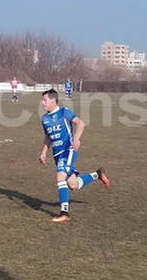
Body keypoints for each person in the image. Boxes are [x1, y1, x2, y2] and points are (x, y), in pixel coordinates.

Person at [39, 88, 110, 223]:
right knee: (73, 185)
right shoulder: (45, 119)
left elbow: (80, 123)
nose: (43, 103)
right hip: (57, 154)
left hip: (68, 150)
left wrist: (76, 139)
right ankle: (98, 174)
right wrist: (43, 152)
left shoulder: (64, 112)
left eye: (45, 100)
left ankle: (64, 213)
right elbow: (48, 137)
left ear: (53, 101)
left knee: (60, 176)